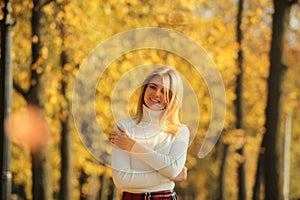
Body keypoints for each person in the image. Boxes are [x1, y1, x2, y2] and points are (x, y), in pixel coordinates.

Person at [110, 66, 190, 200]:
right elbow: (121, 180)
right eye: (153, 87)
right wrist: (167, 176)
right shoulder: (123, 127)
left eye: (164, 91)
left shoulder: (180, 131)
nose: (156, 94)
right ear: (144, 89)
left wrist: (133, 146)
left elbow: (172, 169)